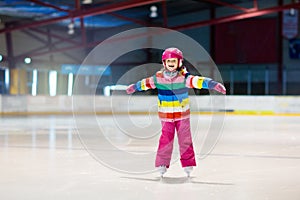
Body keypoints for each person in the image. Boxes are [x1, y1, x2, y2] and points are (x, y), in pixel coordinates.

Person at [126, 47, 226, 177]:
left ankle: (188, 164)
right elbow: (145, 83)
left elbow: (198, 81)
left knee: (185, 140)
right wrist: (134, 87)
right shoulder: (158, 78)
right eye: (169, 61)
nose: (171, 63)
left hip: (182, 116)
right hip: (166, 116)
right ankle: (162, 164)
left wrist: (213, 84)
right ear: (164, 63)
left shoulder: (184, 78)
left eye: (174, 61)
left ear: (179, 63)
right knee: (165, 140)